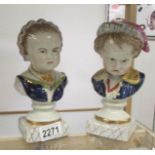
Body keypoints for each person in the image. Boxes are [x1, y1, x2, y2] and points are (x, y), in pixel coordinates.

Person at [91, 19, 150, 123]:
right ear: (101, 54)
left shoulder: (137, 79)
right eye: (112, 59)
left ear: (133, 56)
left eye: (124, 60)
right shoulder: (97, 79)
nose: (117, 66)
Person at [14, 19, 67, 122]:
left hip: (53, 117)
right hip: (36, 118)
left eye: (55, 50)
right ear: (26, 53)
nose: (50, 56)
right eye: (42, 51)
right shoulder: (23, 81)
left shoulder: (61, 78)